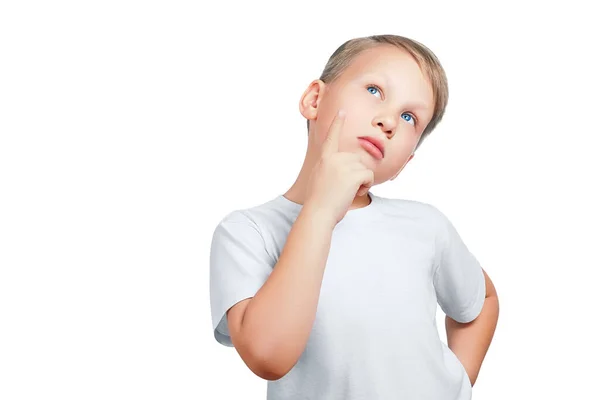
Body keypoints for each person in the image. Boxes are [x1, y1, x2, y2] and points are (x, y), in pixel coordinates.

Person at [209, 34, 499, 399]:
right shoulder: (248, 231)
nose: (390, 120)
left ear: (405, 163)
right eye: (375, 90)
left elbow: (481, 300)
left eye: (410, 117)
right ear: (315, 99)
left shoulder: (427, 226)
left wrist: (456, 383)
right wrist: (321, 210)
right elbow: (269, 355)